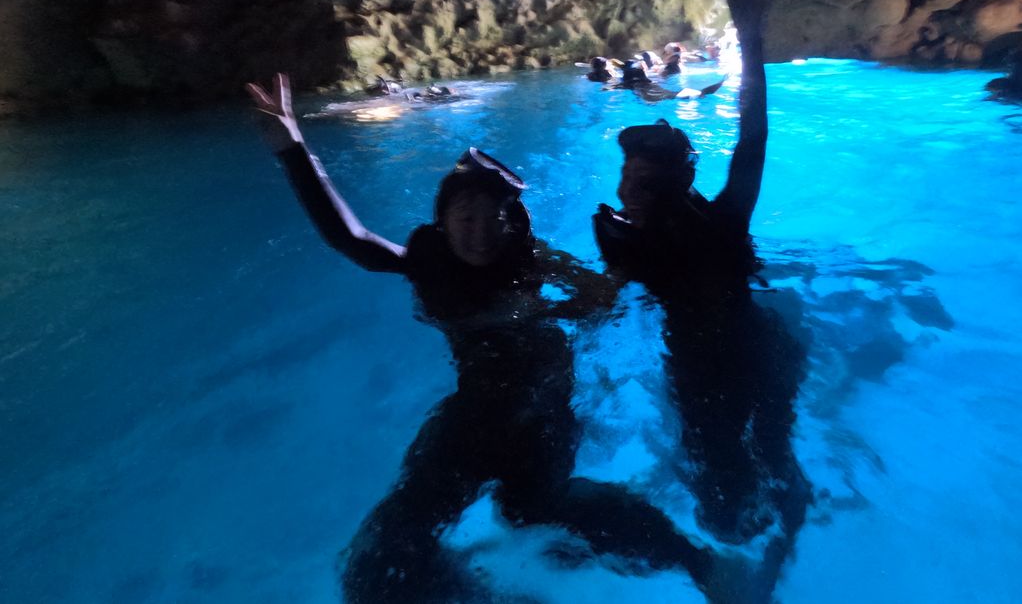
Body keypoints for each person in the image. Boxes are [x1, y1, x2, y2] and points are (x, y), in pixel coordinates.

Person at [246, 74, 728, 603]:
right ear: (444, 221)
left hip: (543, 404)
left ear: (509, 223)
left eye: (492, 218)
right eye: (466, 217)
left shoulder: (530, 259)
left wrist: (542, 309)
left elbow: (600, 297)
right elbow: (350, 238)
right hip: (477, 406)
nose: (479, 231)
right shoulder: (428, 262)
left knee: (531, 511)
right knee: (389, 549)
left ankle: (699, 562)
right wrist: (293, 149)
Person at [592, 0, 809, 599]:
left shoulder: (718, 222)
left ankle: (772, 568)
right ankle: (763, 567)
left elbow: (753, 139)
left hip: (740, 360)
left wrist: (752, 39)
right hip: (728, 359)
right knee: (739, 489)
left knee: (758, 473)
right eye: (625, 178)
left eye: (638, 182)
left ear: (673, 184)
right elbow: (604, 298)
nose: (624, 191)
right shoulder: (641, 237)